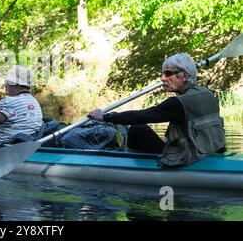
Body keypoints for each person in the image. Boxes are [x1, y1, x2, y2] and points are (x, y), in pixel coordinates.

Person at [88, 53, 226, 168]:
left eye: (168, 74)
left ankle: (130, 165)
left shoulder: (177, 103)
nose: (162, 78)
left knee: (138, 128)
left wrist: (107, 117)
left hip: (189, 156)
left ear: (184, 75)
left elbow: (142, 116)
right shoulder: (207, 93)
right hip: (209, 151)